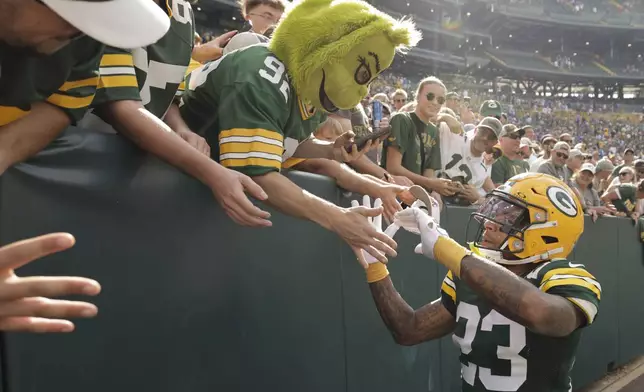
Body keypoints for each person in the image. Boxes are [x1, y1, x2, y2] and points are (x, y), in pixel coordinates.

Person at [180, 0, 421, 266]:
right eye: (361, 73)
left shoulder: (307, 86)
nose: (363, 91)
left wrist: (329, 150)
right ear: (321, 44)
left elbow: (287, 142)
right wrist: (337, 217)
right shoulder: (261, 73)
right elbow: (258, 174)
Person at [364, 173, 600, 392]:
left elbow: (542, 314)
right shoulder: (469, 275)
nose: (490, 223)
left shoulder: (563, 275)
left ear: (546, 230)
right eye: (495, 210)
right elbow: (409, 330)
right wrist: (376, 269)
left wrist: (449, 251)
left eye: (508, 216)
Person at [77, 0, 271, 227]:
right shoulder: (120, 5)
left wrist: (181, 129)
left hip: (136, 167)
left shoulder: (183, 11)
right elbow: (120, 106)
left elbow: (165, 92)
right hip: (85, 154)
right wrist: (211, 172)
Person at [0, 0, 170, 172]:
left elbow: (64, 102)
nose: (77, 30)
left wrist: (5, 149)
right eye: (68, 11)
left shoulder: (84, 39)